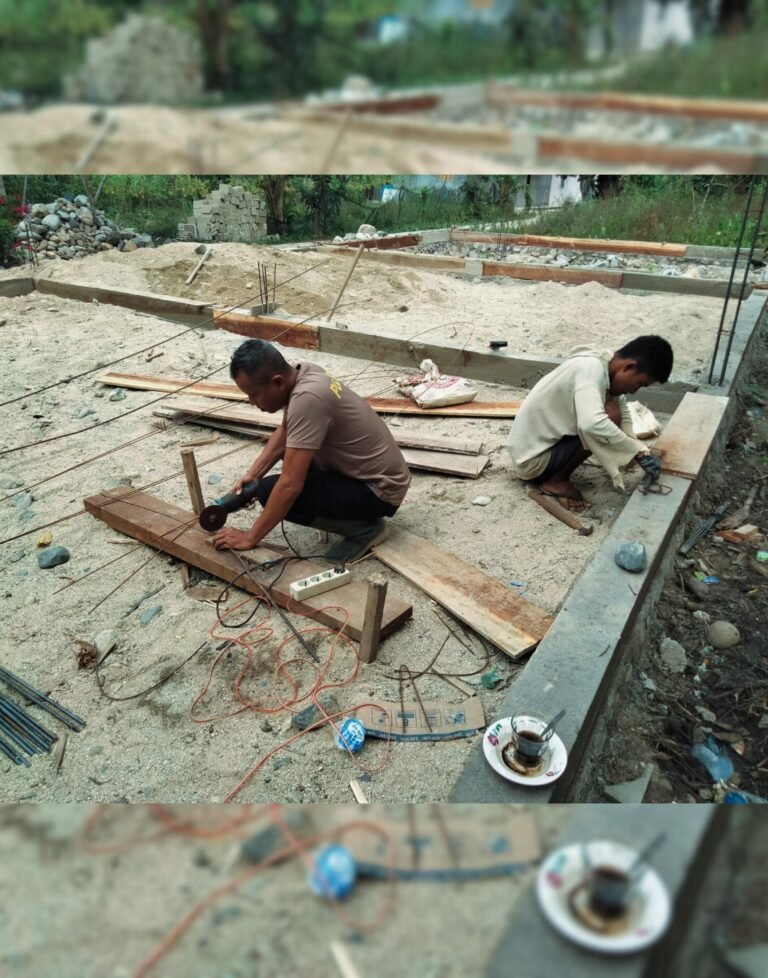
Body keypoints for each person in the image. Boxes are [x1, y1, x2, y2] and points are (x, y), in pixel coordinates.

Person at [212, 339, 411, 562]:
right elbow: (286, 430)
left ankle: (365, 530)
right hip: (370, 475)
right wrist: (253, 475)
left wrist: (250, 537)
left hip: (379, 491)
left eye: (254, 394)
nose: (251, 402)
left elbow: (290, 485)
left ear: (277, 382)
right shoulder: (304, 373)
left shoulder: (308, 399)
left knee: (269, 490)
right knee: (289, 458)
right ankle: (352, 513)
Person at [507, 336, 673, 512]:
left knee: (611, 414)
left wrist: (641, 450)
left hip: (535, 450)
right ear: (629, 367)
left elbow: (623, 414)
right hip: (532, 461)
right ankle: (555, 481)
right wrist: (637, 452)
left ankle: (556, 473)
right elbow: (592, 424)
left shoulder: (603, 366)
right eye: (639, 384)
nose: (634, 391)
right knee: (604, 419)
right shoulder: (590, 369)